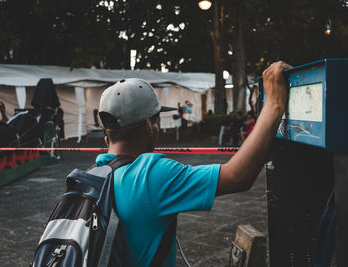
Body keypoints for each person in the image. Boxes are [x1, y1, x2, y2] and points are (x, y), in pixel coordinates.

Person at [96, 62, 291, 266]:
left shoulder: (92, 175)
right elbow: (238, 177)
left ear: (107, 137)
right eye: (157, 122)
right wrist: (274, 105)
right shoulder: (151, 175)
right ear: (148, 126)